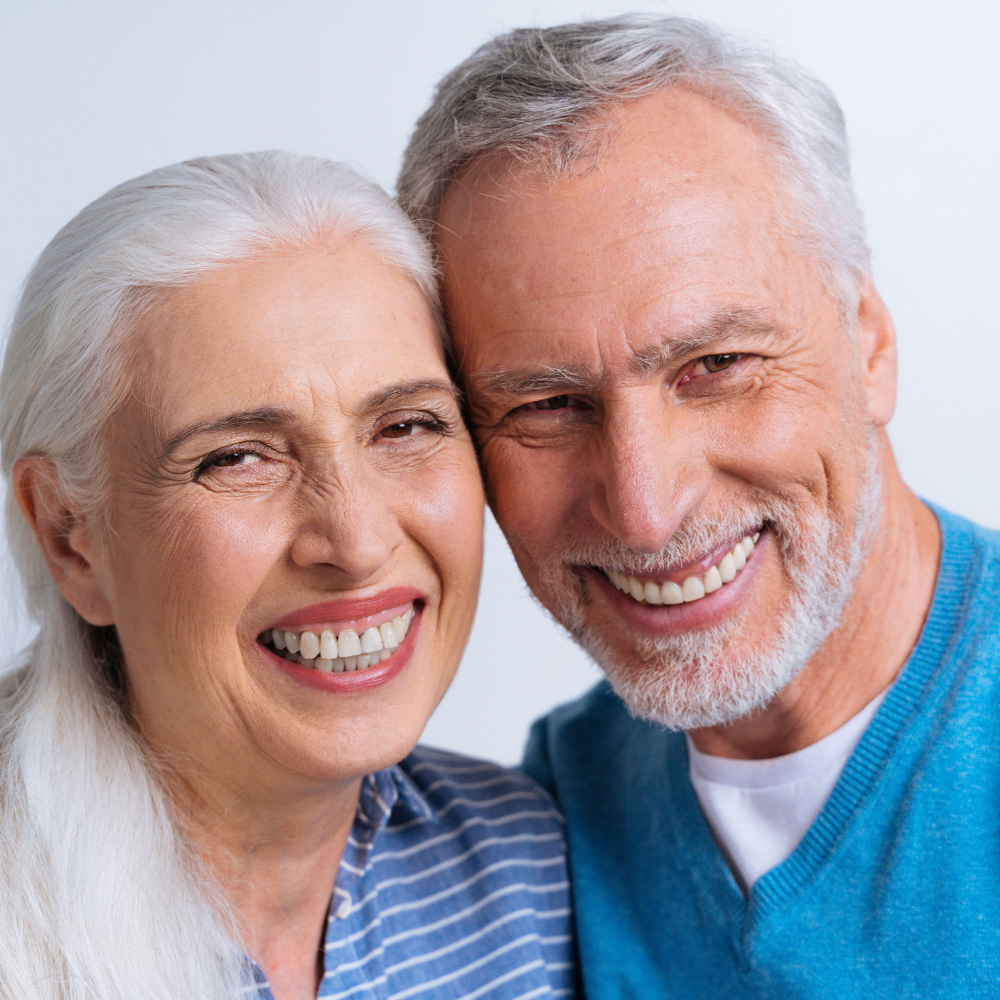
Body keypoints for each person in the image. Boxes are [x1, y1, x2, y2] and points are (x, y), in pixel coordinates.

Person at [398, 14, 1000, 997]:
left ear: (869, 344)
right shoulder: (562, 803)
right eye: (546, 405)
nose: (642, 509)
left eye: (714, 366)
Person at [0, 152, 576, 1000]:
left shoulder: (529, 873)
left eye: (406, 426)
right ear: (69, 536)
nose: (355, 539)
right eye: (238, 457)